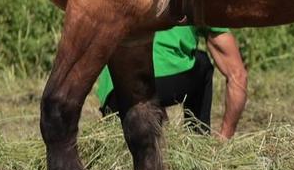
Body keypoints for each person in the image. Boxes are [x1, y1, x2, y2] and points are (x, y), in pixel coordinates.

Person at [95, 26, 248, 141]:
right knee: (202, 64)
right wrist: (225, 138)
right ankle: (197, 139)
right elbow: (238, 75)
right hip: (155, 84)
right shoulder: (196, 0)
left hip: (114, 92)